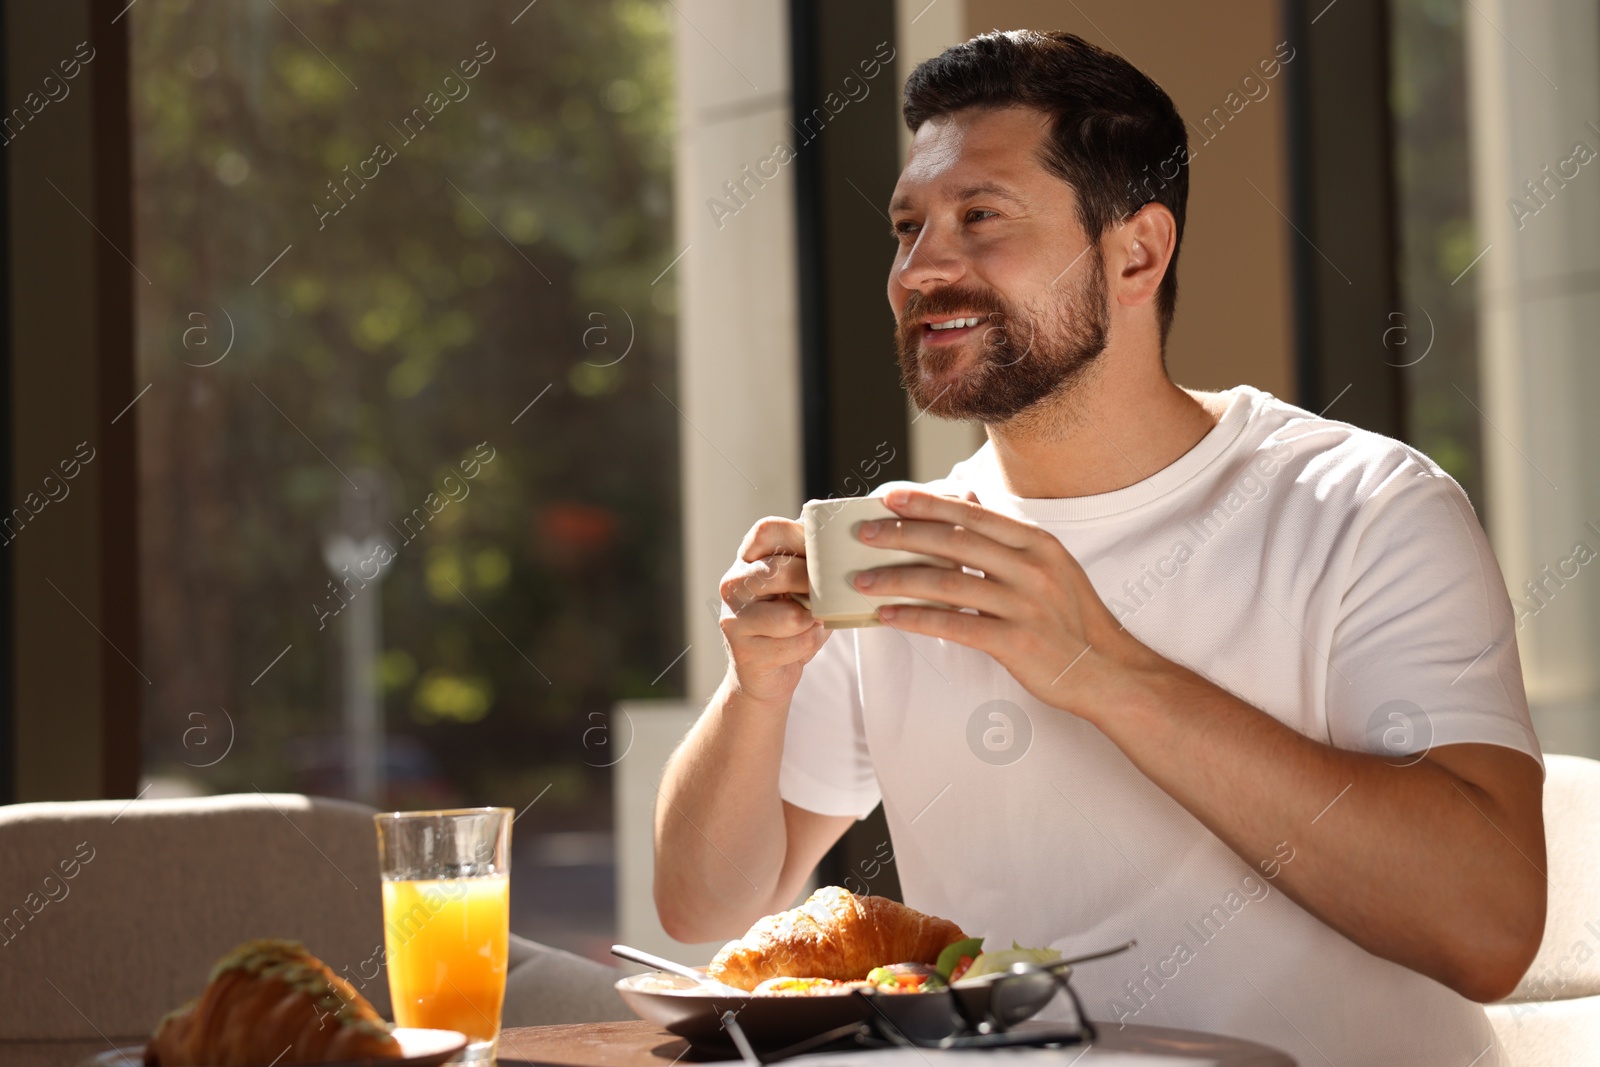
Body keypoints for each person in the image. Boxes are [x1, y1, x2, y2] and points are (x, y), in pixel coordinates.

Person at [654, 29, 1545, 1065]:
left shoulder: (1363, 506)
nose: (918, 268)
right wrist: (755, 687)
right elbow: (699, 900)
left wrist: (1101, 668)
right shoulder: (897, 550)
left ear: (1135, 251)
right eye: (906, 227)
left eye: (979, 217)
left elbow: (1488, 929)